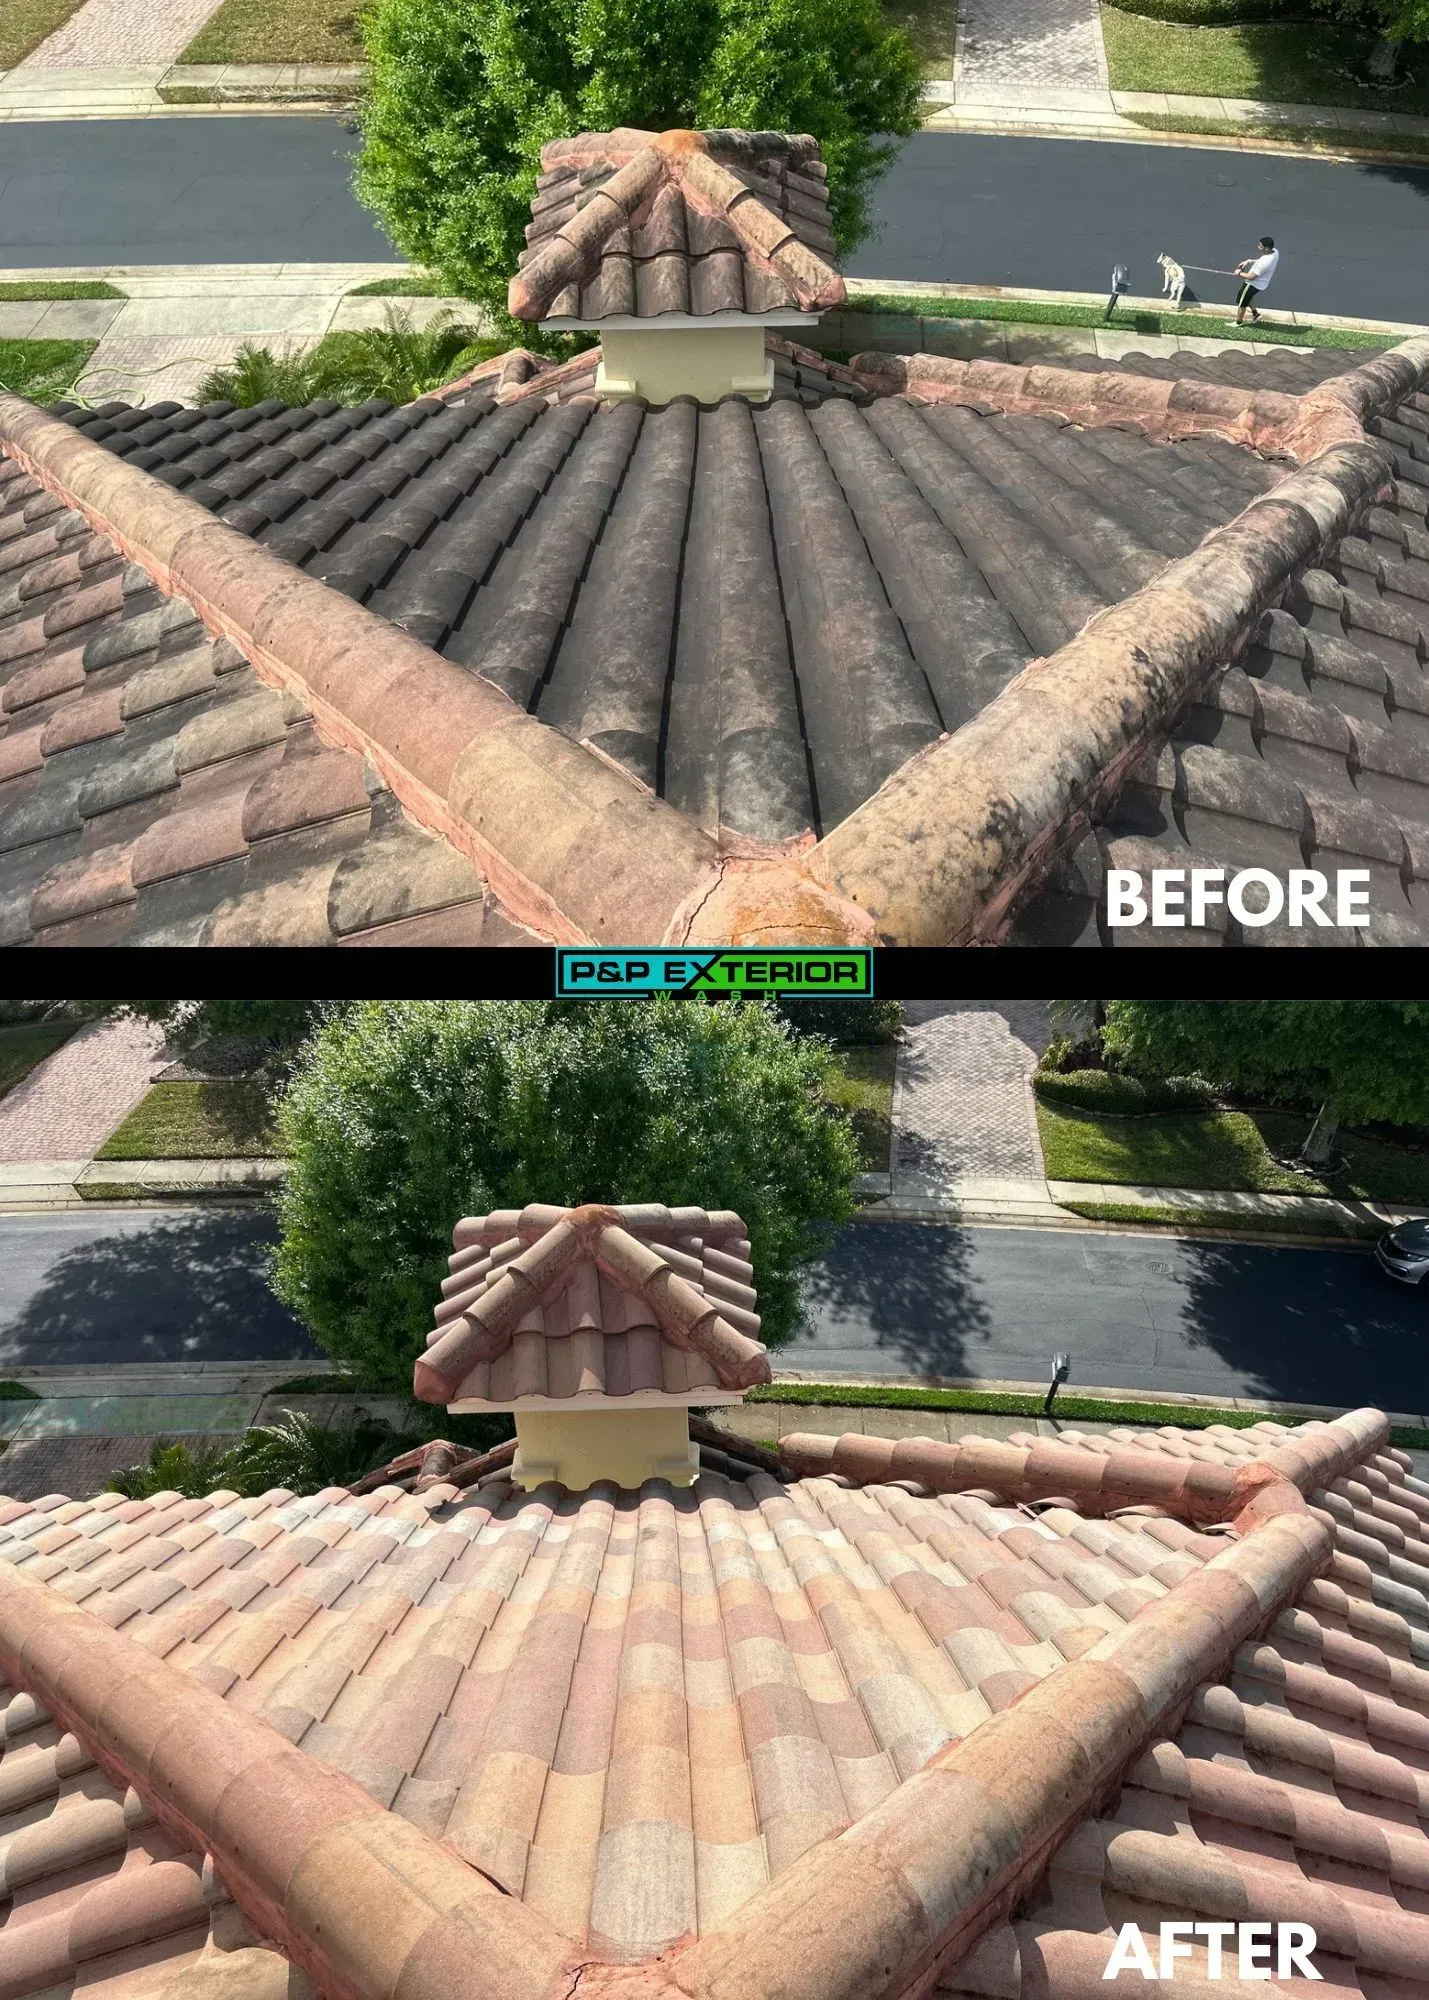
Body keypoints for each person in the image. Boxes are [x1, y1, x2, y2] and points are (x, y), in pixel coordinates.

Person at [1234, 237, 1279, 324]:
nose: (1258, 247)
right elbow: (1260, 261)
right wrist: (1249, 261)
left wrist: (1239, 273)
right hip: (1261, 284)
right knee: (1248, 296)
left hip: (1252, 284)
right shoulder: (1275, 252)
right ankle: (1255, 314)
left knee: (1241, 302)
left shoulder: (1265, 262)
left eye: (1260, 246)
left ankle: (1238, 322)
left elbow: (1251, 277)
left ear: (1266, 248)